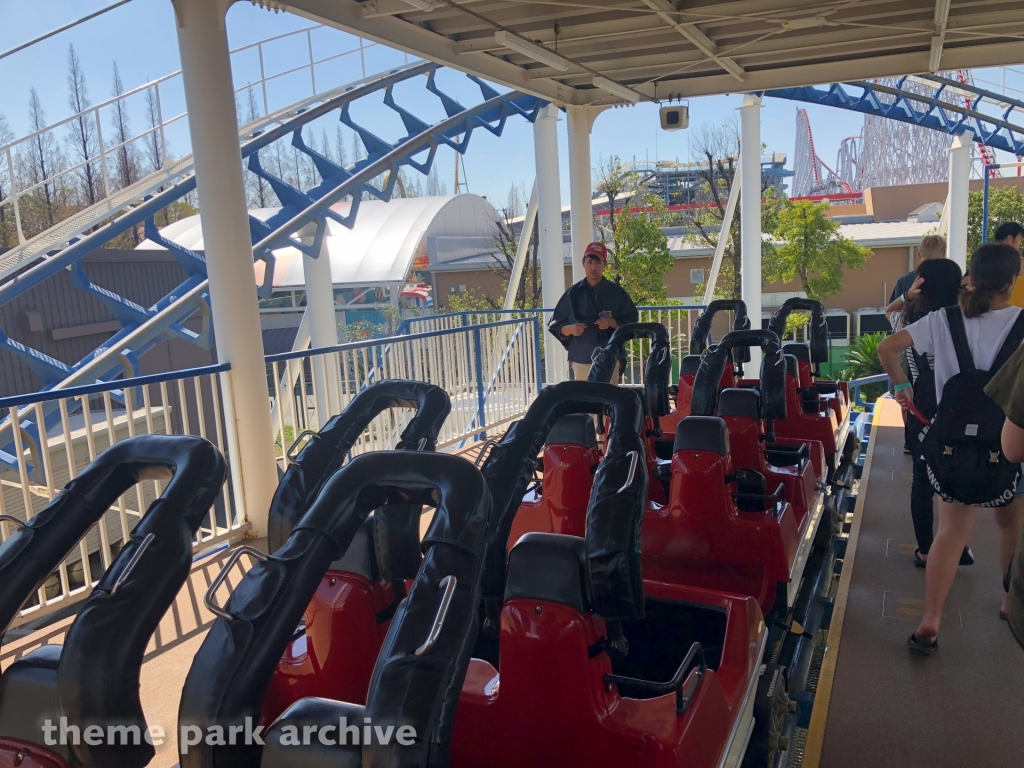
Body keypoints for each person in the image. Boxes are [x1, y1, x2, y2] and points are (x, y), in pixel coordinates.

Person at [878, 243, 1024, 654]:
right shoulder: (1022, 323)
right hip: (1006, 444)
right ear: (1012, 281)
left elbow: (886, 348)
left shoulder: (943, 320)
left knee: (951, 530)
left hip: (951, 443)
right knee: (1008, 523)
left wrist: (903, 388)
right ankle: (1008, 599)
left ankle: (931, 619)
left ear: (972, 278)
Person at [884, 257, 974, 570]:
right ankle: (956, 543)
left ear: (922, 284)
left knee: (922, 479)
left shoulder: (909, 321)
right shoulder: (967, 320)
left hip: (923, 409)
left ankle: (925, 550)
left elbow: (889, 312)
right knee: (959, 472)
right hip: (963, 408)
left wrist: (908, 295)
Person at [548, 241, 639, 382]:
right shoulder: (573, 294)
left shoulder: (617, 293)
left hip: (610, 357)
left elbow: (632, 321)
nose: (593, 267)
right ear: (583, 262)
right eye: (590, 262)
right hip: (581, 357)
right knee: (585, 401)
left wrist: (611, 322)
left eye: (598, 262)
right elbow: (556, 326)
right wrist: (570, 329)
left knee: (609, 399)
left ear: (605, 265)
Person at [888, 234, 948, 304]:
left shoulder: (904, 281)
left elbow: (893, 311)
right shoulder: (953, 278)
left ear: (919, 254)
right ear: (944, 253)